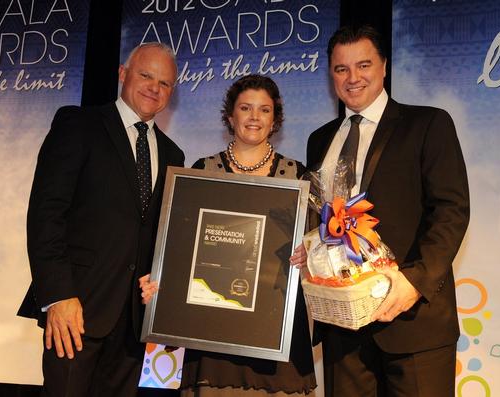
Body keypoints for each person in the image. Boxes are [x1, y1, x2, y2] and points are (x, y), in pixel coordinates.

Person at [305, 25, 470, 396]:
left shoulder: (428, 124)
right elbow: (321, 220)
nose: (352, 78)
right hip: (342, 329)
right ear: (331, 74)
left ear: (384, 66)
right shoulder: (320, 139)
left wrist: (415, 282)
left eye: (363, 65)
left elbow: (452, 210)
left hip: (414, 321)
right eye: (340, 69)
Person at [17, 42, 184, 397]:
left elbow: (161, 235)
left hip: (133, 325)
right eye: (146, 75)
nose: (155, 87)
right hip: (76, 313)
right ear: (123, 74)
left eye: (165, 83)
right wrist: (58, 296)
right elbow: (46, 215)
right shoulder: (78, 124)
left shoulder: (174, 154)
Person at [141, 74, 316, 396]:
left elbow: (316, 248)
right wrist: (160, 278)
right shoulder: (201, 172)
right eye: (245, 108)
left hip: (273, 335)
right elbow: (179, 252)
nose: (254, 117)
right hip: (210, 338)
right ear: (230, 115)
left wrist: (310, 255)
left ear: (275, 119)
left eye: (264, 110)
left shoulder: (298, 178)